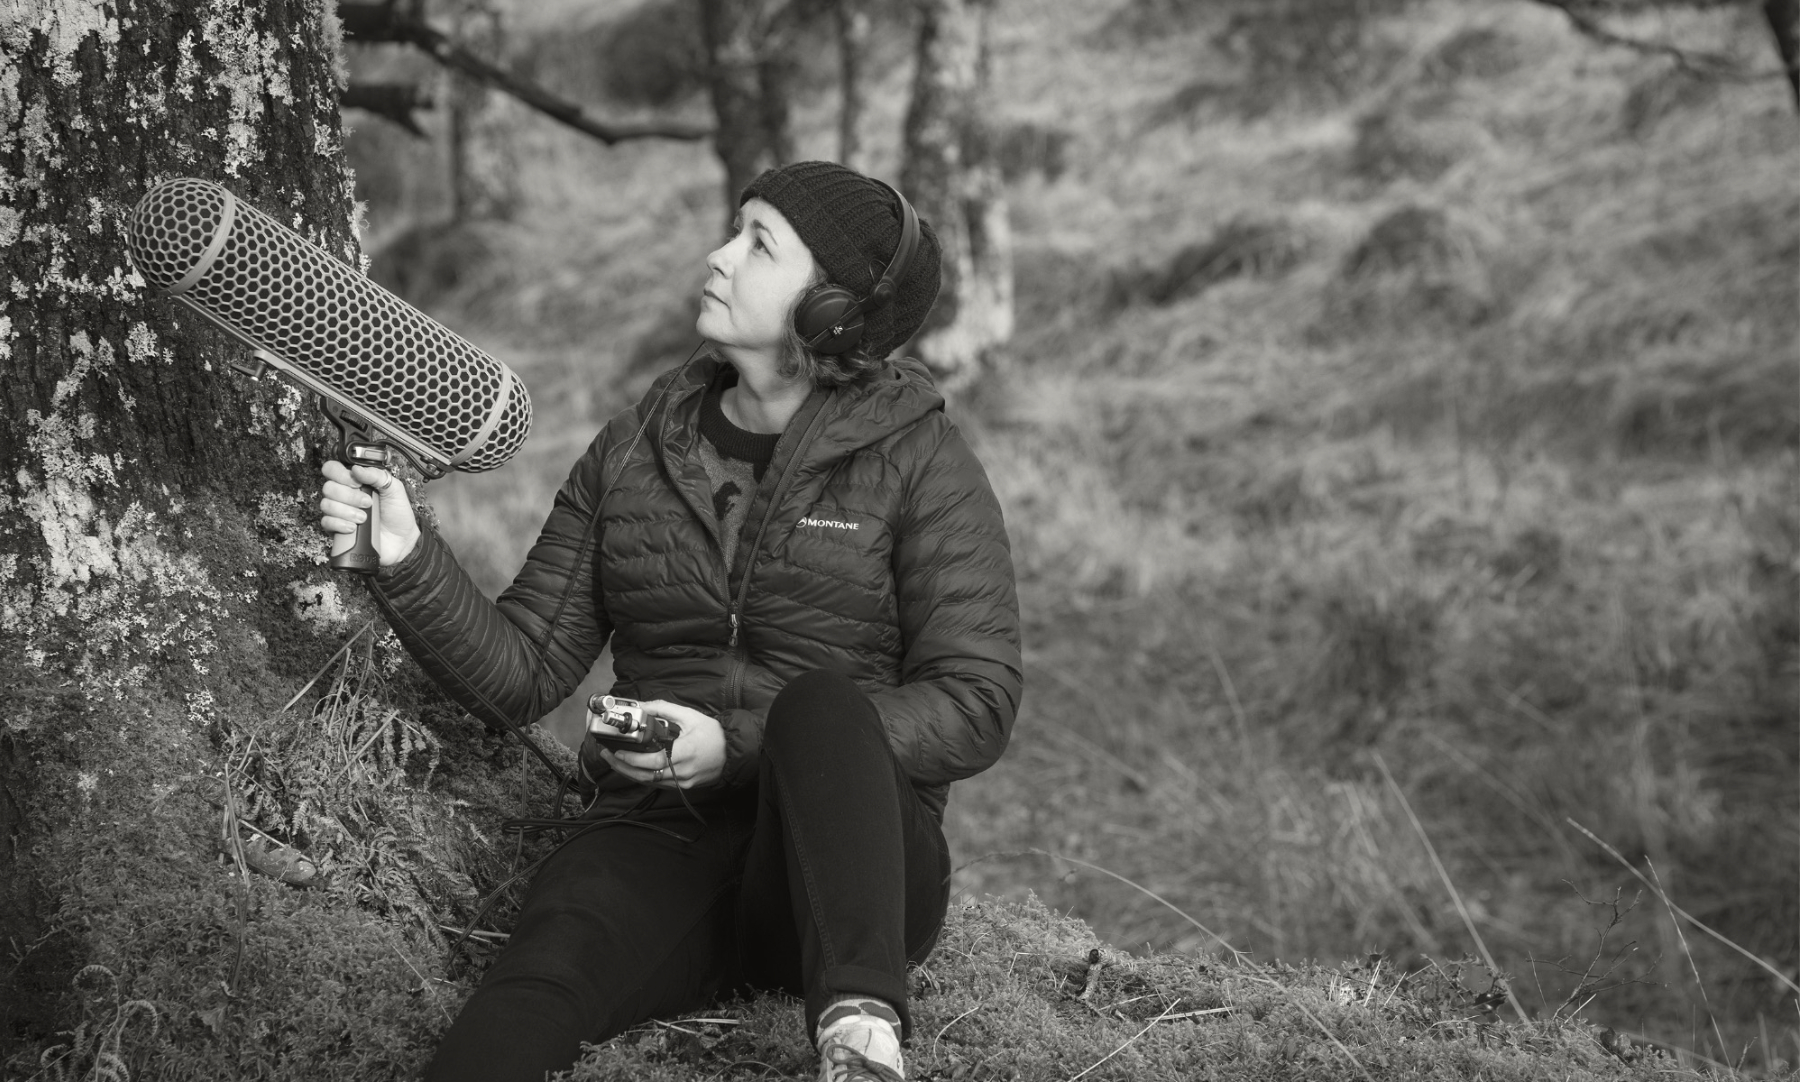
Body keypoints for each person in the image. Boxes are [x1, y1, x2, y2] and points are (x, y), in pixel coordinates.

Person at [318, 160, 1022, 1082]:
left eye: (759, 244)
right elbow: (524, 672)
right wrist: (408, 559)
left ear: (832, 309)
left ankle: (860, 1037)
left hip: (846, 868)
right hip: (656, 835)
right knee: (533, 990)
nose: (718, 256)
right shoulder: (636, 447)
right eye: (735, 230)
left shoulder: (920, 458)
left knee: (821, 704)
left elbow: (976, 698)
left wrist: (735, 747)